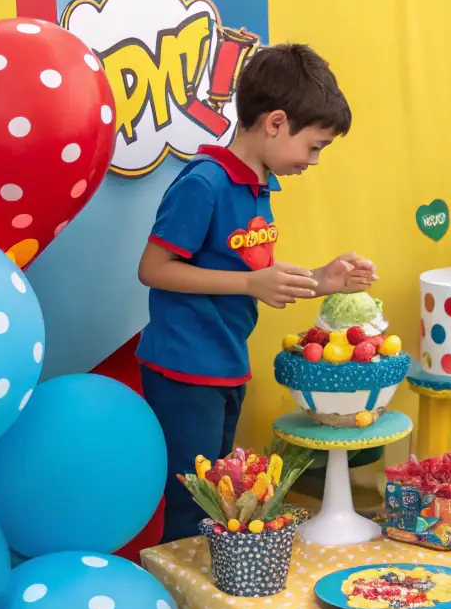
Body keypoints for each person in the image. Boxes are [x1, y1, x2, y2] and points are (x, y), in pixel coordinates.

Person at [137, 43, 376, 543]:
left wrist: (323, 280)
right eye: (313, 146)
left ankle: (208, 603)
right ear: (274, 123)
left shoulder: (257, 187)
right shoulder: (205, 184)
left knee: (219, 499)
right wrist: (249, 283)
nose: (313, 160)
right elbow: (154, 269)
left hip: (225, 364)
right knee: (191, 502)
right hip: (184, 368)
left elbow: (258, 278)